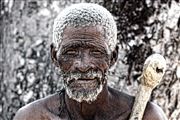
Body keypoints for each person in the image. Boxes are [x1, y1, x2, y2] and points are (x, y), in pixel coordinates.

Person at [14, 3, 167, 120]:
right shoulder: (32, 117)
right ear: (55, 56)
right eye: (71, 52)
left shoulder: (149, 116)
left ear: (113, 57)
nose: (83, 65)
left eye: (96, 52)